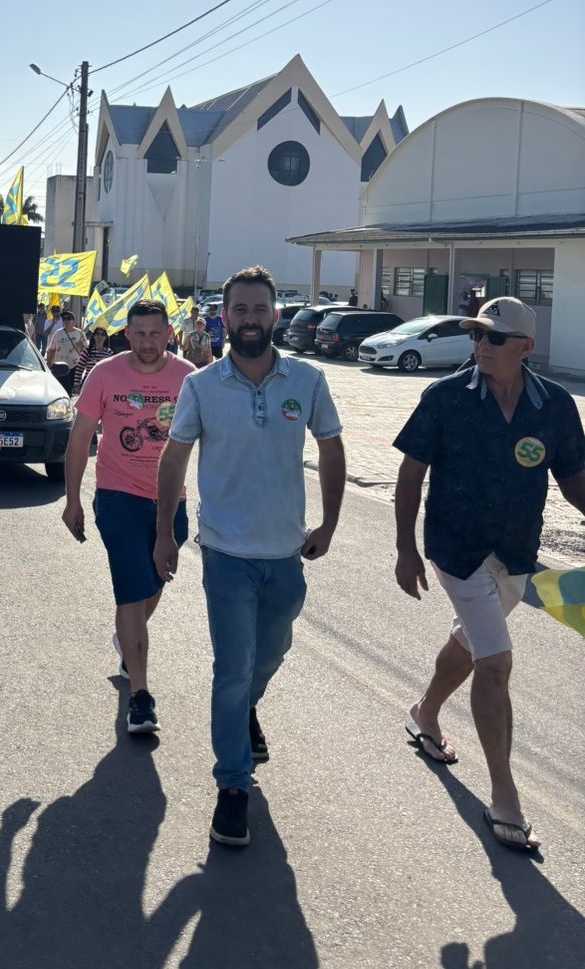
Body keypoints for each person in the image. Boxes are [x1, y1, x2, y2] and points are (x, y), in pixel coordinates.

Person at [154, 266, 346, 849]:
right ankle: (233, 786)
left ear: (275, 316)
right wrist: (164, 534)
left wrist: (330, 523)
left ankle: (244, 711)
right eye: (239, 309)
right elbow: (173, 458)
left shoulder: (307, 380)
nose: (250, 319)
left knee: (271, 652)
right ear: (225, 317)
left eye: (260, 309)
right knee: (232, 669)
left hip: (287, 553)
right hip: (226, 553)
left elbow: (332, 448)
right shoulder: (201, 386)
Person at [393, 297, 585, 854]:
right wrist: (405, 548)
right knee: (496, 662)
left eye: (494, 338)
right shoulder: (445, 397)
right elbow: (410, 474)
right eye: (477, 334)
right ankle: (505, 796)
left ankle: (426, 712)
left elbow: (574, 478)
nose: (481, 345)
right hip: (457, 549)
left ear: (526, 347)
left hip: (516, 552)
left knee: (473, 641)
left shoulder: (554, 406)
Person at [62, 301, 193, 735]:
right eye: (139, 334)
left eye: (155, 334)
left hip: (171, 500)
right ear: (127, 334)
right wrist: (73, 500)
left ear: (169, 333)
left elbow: (213, 440)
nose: (147, 342)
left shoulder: (188, 377)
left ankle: (126, 639)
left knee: (154, 583)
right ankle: (140, 697)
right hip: (117, 496)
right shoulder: (105, 374)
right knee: (132, 592)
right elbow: (80, 439)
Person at [46, 309, 87, 396]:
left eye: (68, 318)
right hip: (59, 367)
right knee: (61, 391)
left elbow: (86, 351)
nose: (66, 320)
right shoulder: (58, 333)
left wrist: (81, 346)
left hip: (74, 367)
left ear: (73, 321)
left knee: (69, 391)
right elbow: (51, 350)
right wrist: (48, 366)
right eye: (64, 319)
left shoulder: (80, 333)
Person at [72, 325, 111, 395]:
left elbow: (112, 370)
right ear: (94, 336)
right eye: (97, 334)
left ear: (105, 337)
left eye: (102, 334)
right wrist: (76, 385)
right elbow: (79, 369)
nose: (100, 336)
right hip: (88, 384)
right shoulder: (87, 351)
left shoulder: (109, 352)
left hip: (104, 385)